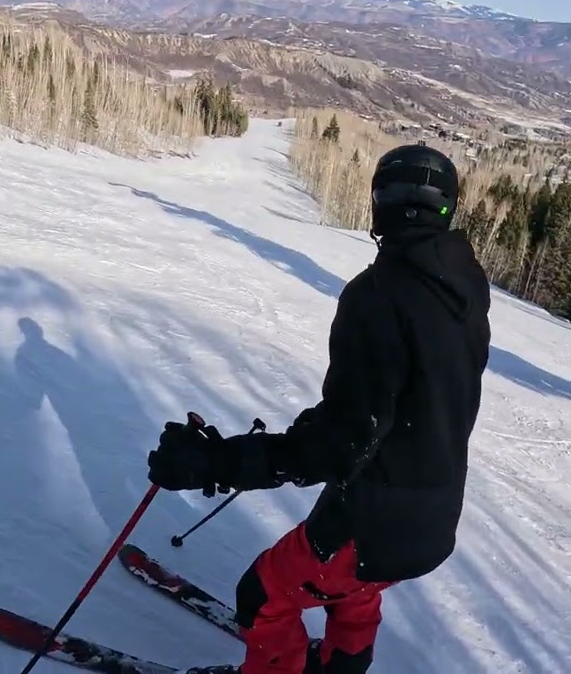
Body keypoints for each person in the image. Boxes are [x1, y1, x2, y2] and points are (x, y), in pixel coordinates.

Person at [146, 143, 492, 674]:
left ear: (379, 203)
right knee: (354, 586)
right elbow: (398, 402)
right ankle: (340, 664)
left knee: (262, 596)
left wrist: (216, 463)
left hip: (374, 520)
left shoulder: (378, 295)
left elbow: (343, 441)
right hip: (431, 517)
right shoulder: (462, 284)